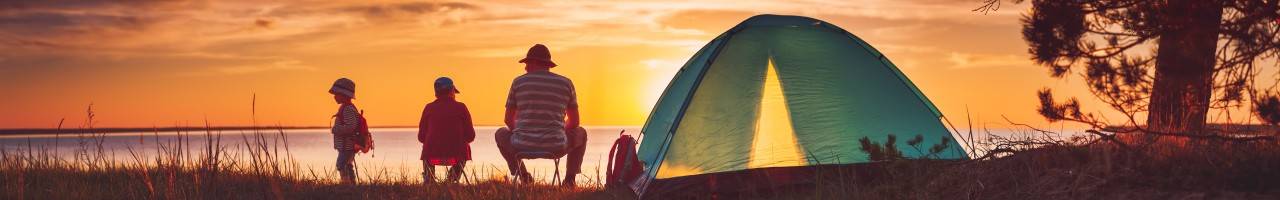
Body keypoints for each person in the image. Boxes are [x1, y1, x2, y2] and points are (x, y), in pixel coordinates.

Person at [495, 44, 588, 187]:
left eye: (526, 63)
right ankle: (570, 180)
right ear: (548, 64)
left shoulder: (518, 82)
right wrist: (561, 130)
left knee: (500, 134)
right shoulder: (566, 83)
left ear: (534, 62)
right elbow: (575, 122)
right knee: (581, 132)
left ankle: (523, 176)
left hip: (521, 145)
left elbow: (508, 119)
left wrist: (522, 132)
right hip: (556, 146)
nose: (525, 68)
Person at [418, 77, 476, 184]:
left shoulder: (429, 108)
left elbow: (421, 137)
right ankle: (451, 179)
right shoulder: (461, 107)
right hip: (456, 157)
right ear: (451, 91)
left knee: (427, 146)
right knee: (465, 147)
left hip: (431, 156)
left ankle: (429, 178)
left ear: (436, 93)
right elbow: (470, 136)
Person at [329, 77, 360, 184]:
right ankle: (352, 184)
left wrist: (336, 129)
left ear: (344, 95)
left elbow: (351, 126)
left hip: (347, 145)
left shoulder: (348, 109)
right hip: (346, 145)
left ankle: (346, 184)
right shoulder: (346, 107)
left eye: (336, 94)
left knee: (341, 164)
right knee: (347, 164)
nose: (334, 96)